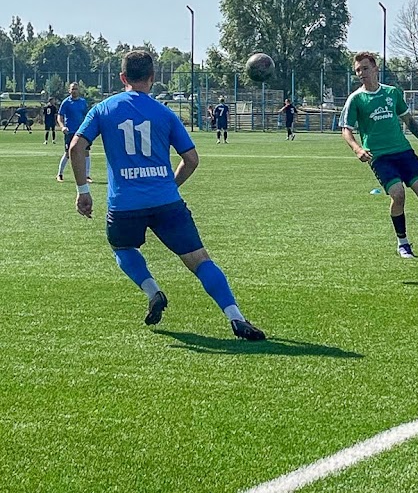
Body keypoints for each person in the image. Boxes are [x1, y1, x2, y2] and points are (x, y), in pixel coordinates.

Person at [68, 50, 264, 340]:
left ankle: (152, 291)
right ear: (152, 78)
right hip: (166, 201)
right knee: (199, 261)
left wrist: (83, 190)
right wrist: (171, 184)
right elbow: (192, 159)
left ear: (122, 77)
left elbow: (75, 148)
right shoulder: (165, 113)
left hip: (124, 204)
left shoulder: (102, 109)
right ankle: (235, 317)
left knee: (123, 249)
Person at [340, 52, 418, 258]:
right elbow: (346, 129)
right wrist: (357, 149)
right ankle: (402, 243)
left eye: (365, 68)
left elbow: (408, 120)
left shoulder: (392, 93)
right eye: (358, 70)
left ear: (375, 69)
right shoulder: (356, 99)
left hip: (403, 151)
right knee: (398, 194)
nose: (361, 73)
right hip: (380, 156)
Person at [57, 82, 91, 182]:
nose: (74, 91)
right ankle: (60, 174)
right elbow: (60, 116)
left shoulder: (83, 102)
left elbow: (87, 116)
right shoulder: (66, 102)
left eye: (76, 89)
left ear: (78, 90)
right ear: (69, 90)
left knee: (86, 152)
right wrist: (62, 127)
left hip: (81, 131)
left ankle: (87, 175)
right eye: (72, 89)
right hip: (70, 132)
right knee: (68, 153)